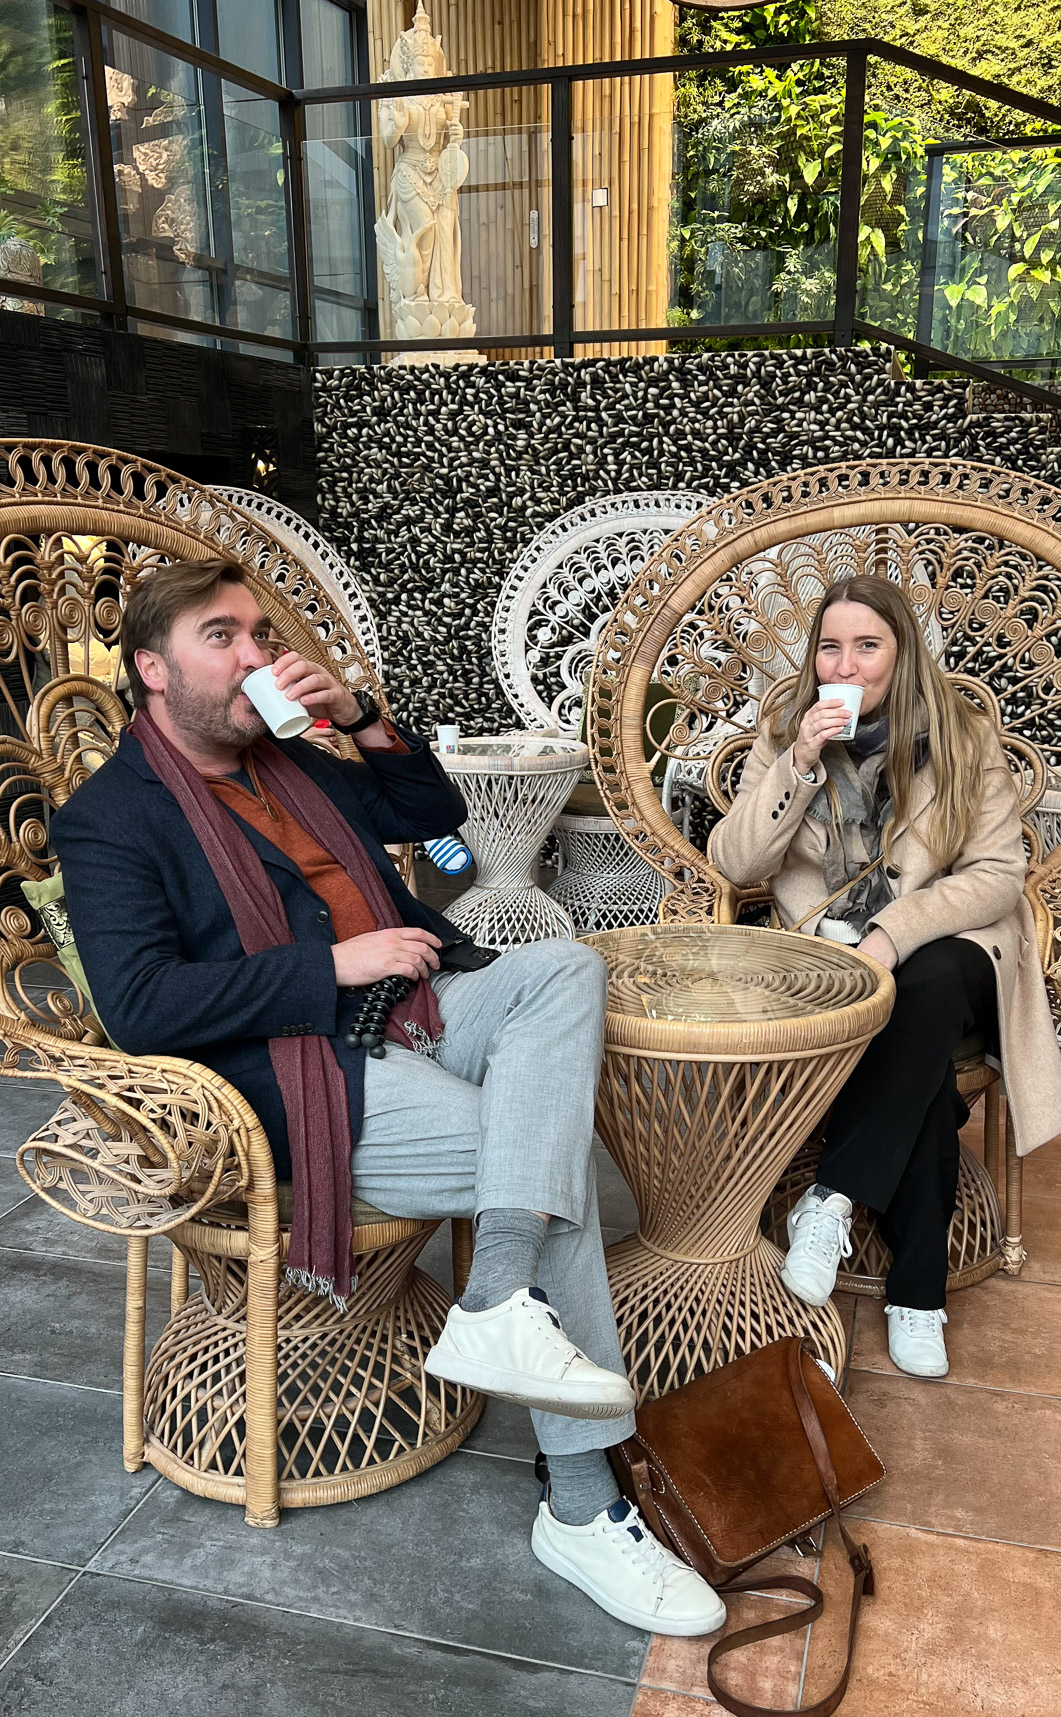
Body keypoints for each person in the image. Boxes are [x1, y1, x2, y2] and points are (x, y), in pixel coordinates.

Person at [53, 560, 725, 1639]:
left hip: (418, 1003)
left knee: (564, 969)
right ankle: (584, 1503)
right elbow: (141, 1006)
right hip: (307, 1066)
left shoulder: (291, 759)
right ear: (150, 668)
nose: (256, 656)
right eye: (221, 637)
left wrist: (359, 715)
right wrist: (334, 966)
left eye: (259, 636)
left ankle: (496, 1298)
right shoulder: (112, 820)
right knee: (541, 1171)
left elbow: (433, 806)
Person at [708, 574, 1061, 1377]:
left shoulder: (963, 738)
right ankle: (918, 1294)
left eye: (868, 646)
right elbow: (735, 862)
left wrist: (891, 933)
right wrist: (798, 764)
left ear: (901, 654)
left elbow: (996, 876)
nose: (849, 664)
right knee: (920, 1077)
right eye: (831, 646)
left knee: (929, 984)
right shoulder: (786, 734)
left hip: (957, 947)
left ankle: (830, 1196)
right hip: (831, 960)